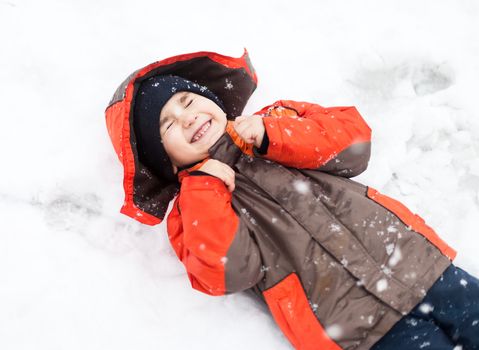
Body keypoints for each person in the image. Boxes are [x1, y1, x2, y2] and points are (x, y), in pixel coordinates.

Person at [105, 50, 479, 350]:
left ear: (212, 100)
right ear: (164, 159)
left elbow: (353, 144)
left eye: (187, 101)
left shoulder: (277, 119)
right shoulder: (192, 208)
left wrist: (275, 134)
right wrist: (205, 187)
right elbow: (225, 270)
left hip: (419, 266)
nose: (186, 118)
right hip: (358, 330)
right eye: (167, 124)